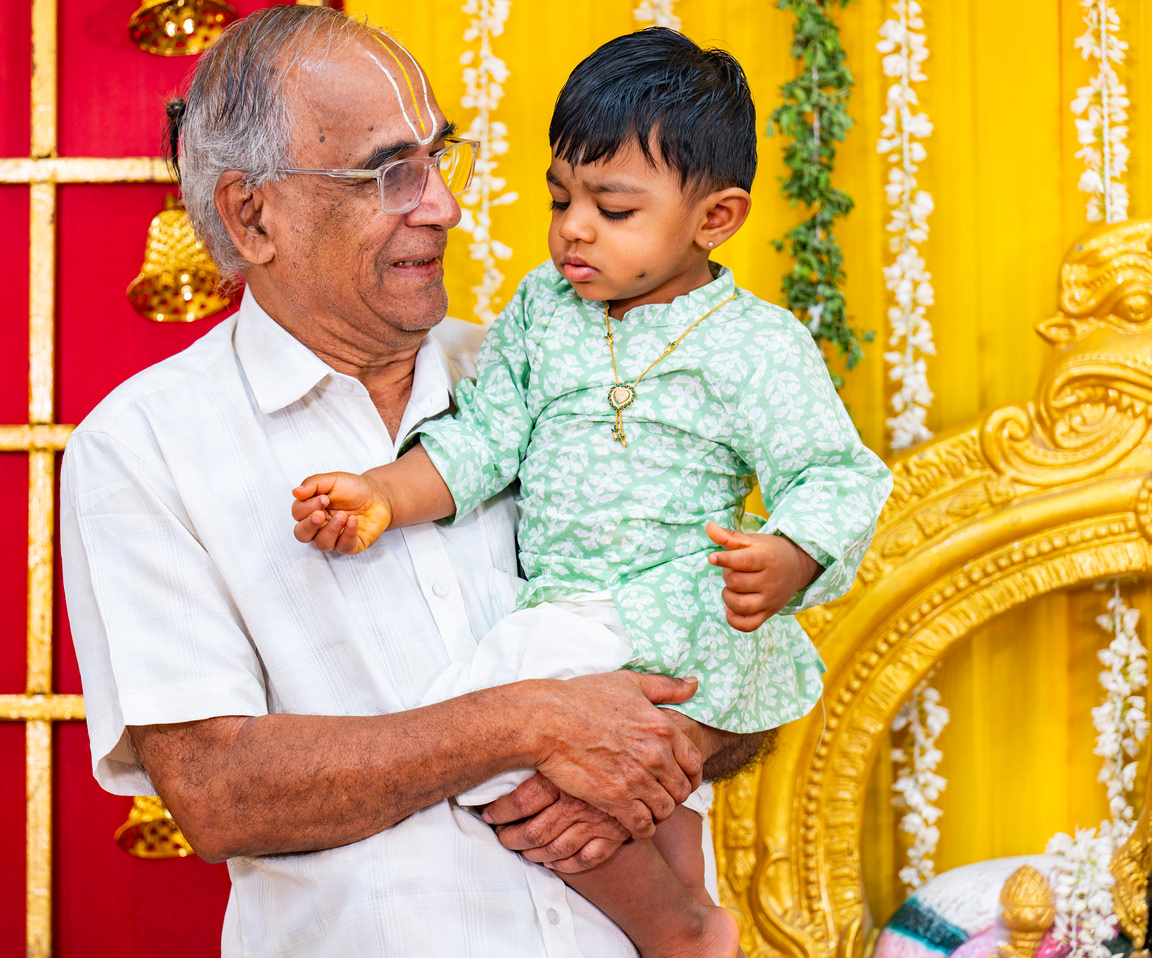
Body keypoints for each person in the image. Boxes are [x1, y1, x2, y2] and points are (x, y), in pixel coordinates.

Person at [61, 6, 773, 957]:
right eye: (388, 173)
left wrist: (664, 752)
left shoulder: (549, 378)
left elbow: (744, 649)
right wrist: (526, 724)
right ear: (251, 215)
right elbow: (218, 792)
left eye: (439, 158)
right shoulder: (145, 446)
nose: (442, 206)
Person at [289, 27, 893, 958]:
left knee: (484, 734)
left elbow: (835, 474)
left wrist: (791, 554)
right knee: (655, 804)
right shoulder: (545, 309)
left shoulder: (757, 344)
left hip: (677, 604)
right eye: (560, 198)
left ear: (715, 218)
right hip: (572, 598)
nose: (574, 227)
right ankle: (698, 925)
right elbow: (485, 436)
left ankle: (677, 929)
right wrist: (382, 494)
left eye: (612, 209)